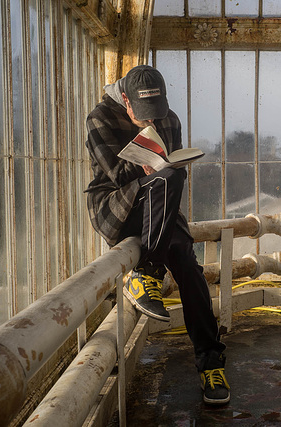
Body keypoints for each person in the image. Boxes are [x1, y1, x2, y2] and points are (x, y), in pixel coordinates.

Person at [84, 64, 230, 405]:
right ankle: (146, 272)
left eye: (157, 113)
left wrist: (168, 165)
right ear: (125, 99)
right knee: (165, 180)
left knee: (191, 271)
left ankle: (211, 363)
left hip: (160, 209)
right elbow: (116, 176)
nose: (151, 121)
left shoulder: (170, 119)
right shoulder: (100, 118)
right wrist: (146, 164)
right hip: (116, 207)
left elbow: (174, 171)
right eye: (143, 114)